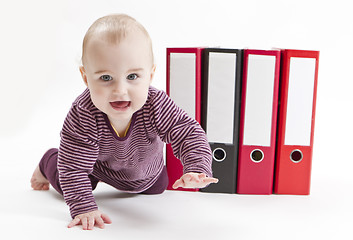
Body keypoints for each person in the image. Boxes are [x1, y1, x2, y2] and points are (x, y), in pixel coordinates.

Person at [31, 14, 218, 230]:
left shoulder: (156, 104)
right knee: (72, 184)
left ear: (150, 75)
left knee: (158, 187)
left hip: (147, 172)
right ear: (85, 77)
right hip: (96, 168)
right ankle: (47, 162)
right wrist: (83, 208)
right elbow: (73, 167)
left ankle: (143, 182)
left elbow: (188, 133)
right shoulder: (84, 113)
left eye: (132, 77)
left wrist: (196, 167)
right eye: (106, 78)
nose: (120, 91)